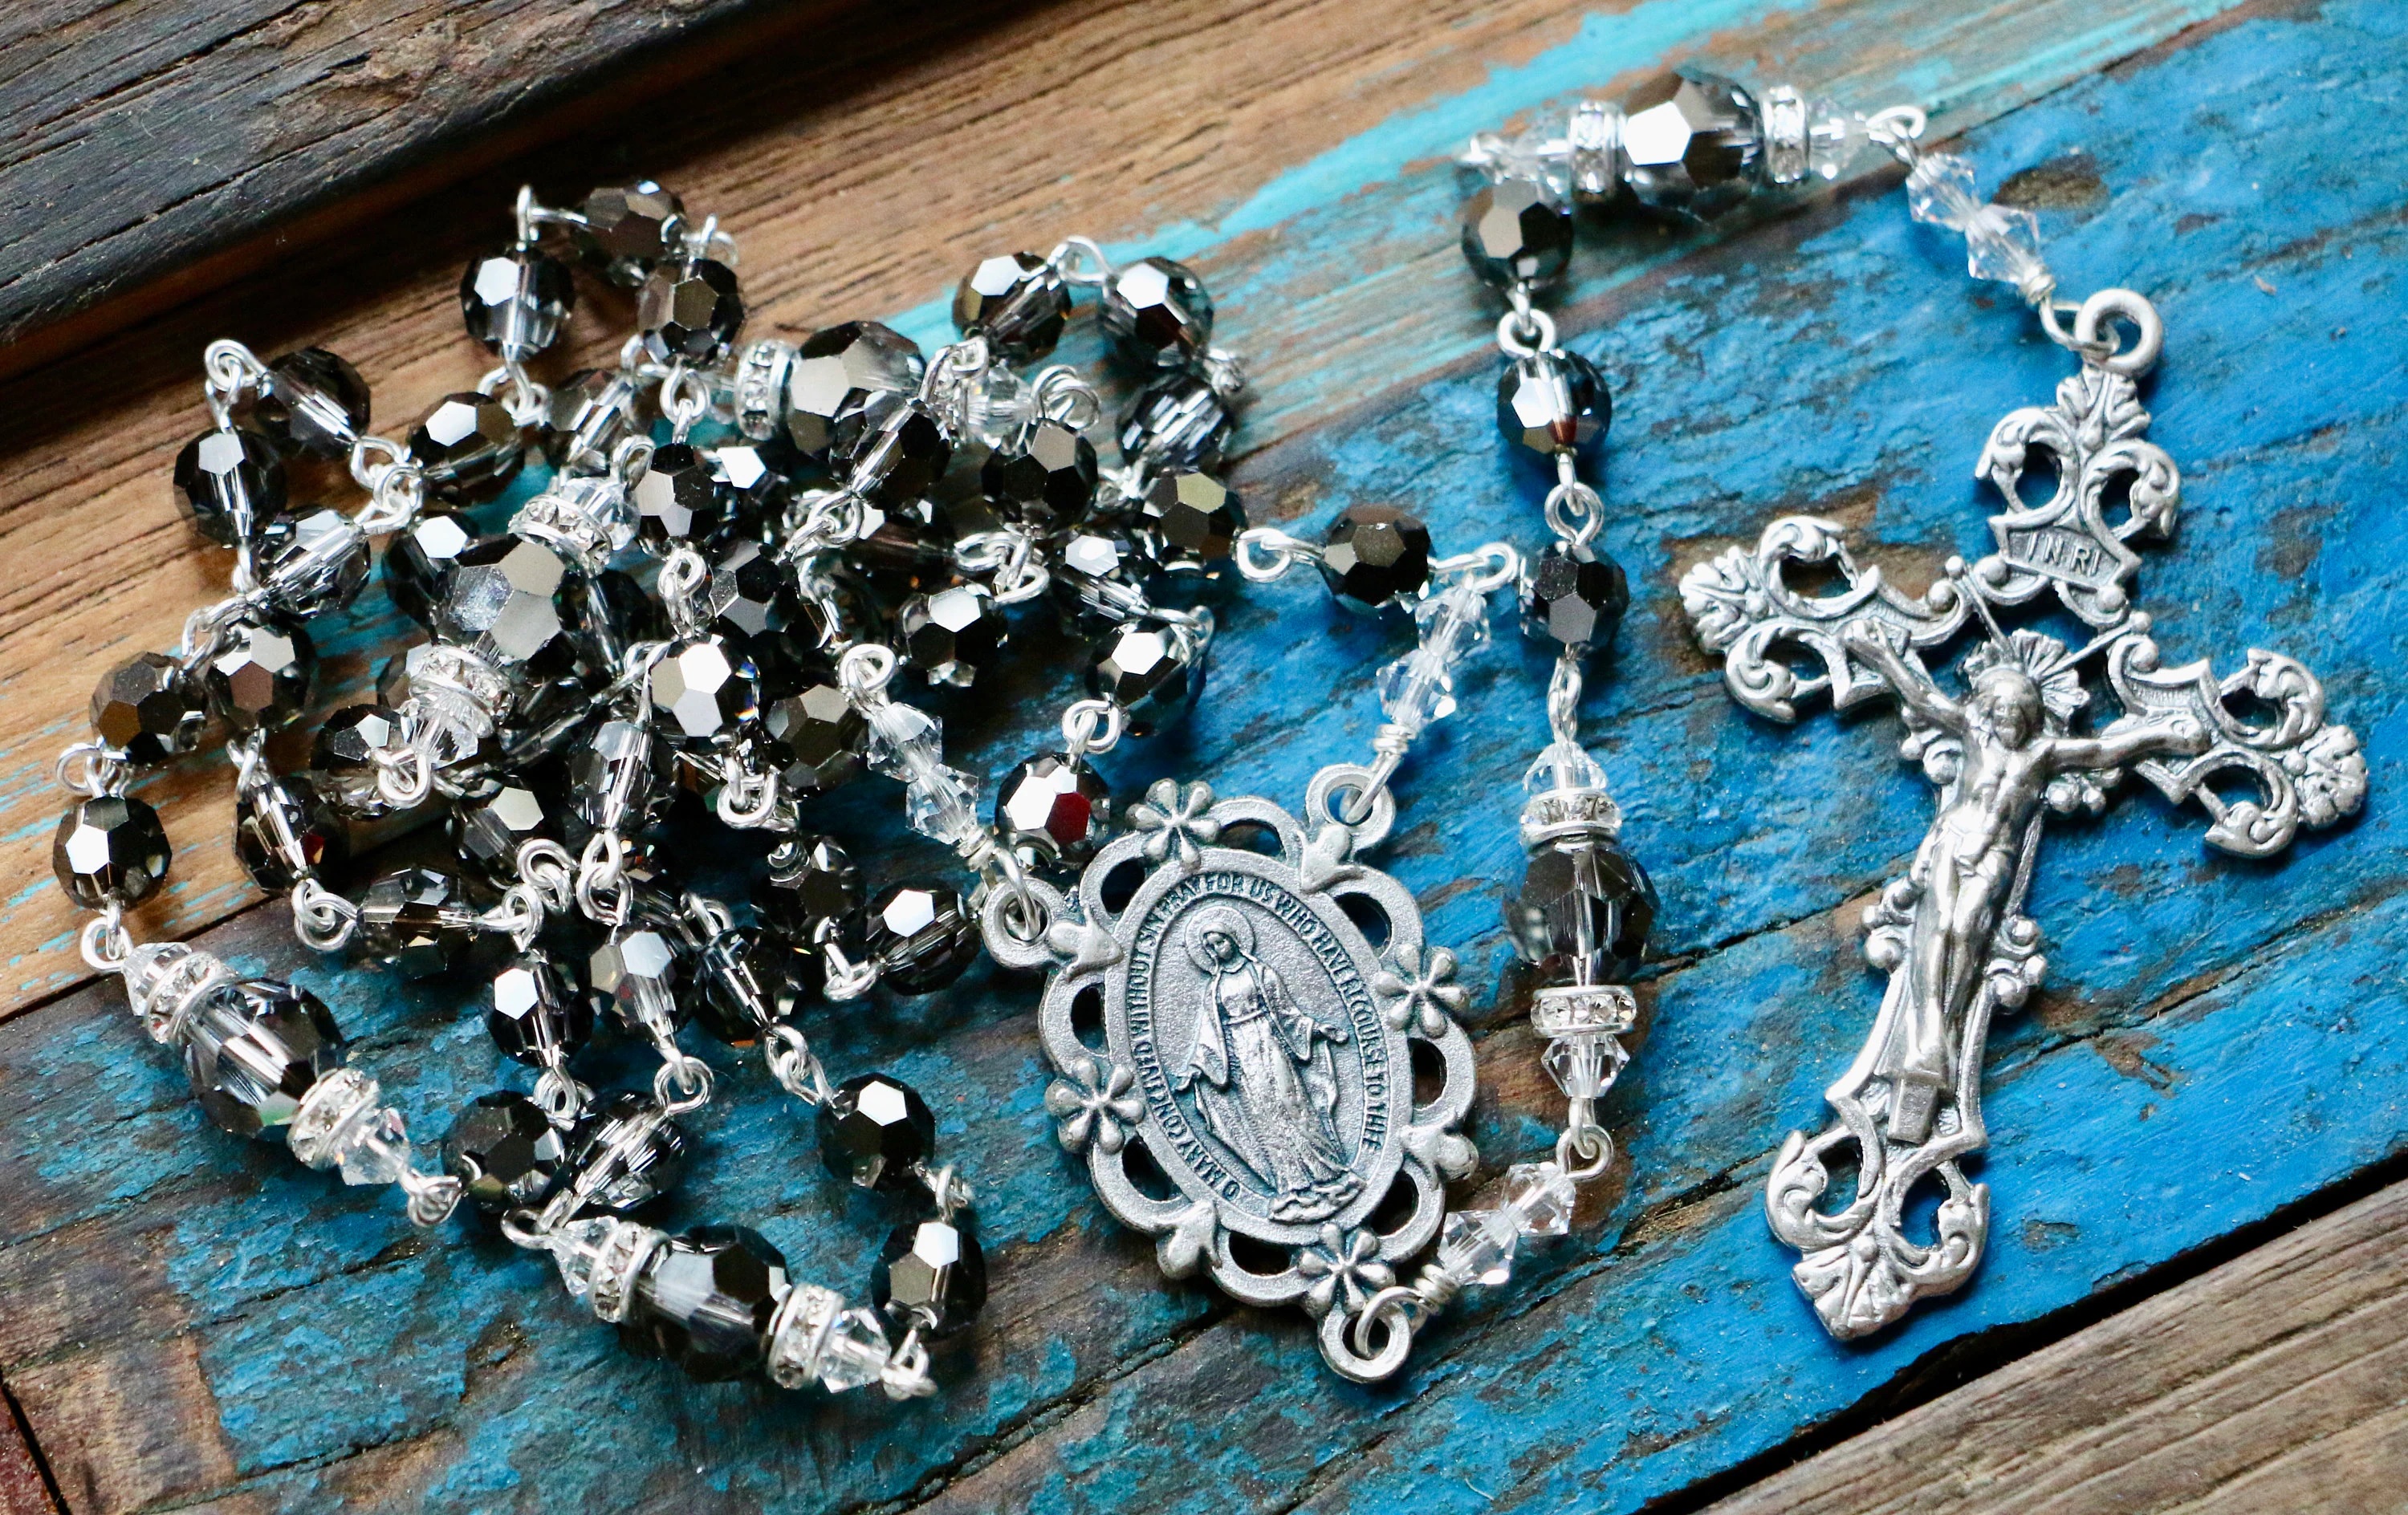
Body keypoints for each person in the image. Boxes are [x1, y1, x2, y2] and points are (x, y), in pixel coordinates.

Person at [1174, 907, 1361, 1221]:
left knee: (1292, 1105)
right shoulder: (1213, 989)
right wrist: (1197, 1069)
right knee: (1265, 1117)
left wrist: (1318, 1029)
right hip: (1242, 1055)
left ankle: (1329, 1174)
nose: (1216, 950)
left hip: (1270, 1041)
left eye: (1220, 942)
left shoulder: (1261, 974)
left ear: (1233, 939)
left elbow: (1288, 1013)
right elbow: (1210, 1036)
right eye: (1210, 947)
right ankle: (1292, 1187)